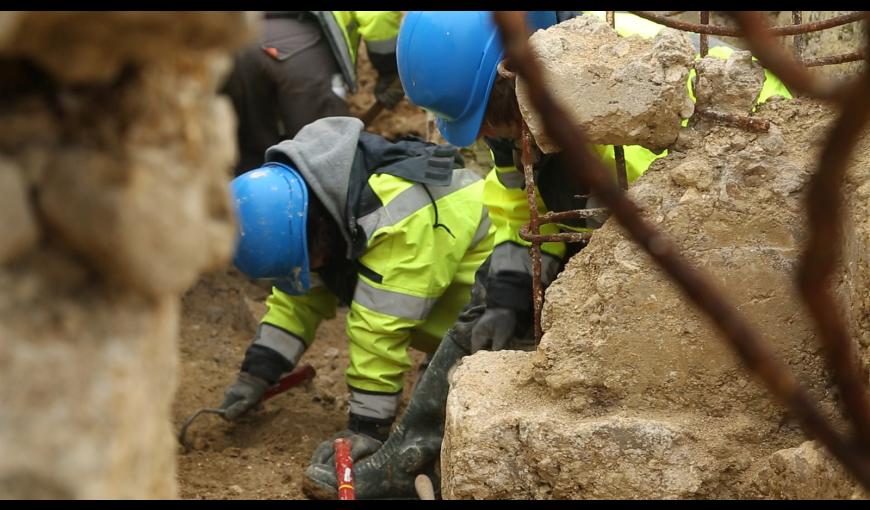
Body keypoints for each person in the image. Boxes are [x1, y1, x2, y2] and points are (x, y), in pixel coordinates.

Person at [302, 10, 794, 499]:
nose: (486, 136)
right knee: (489, 301)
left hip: (739, 225)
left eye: (489, 121)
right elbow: (523, 206)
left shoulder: (626, 75)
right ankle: (407, 460)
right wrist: (506, 296)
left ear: (515, 71)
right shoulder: (526, 95)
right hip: (612, 212)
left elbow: (667, 221)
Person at [219, 116, 495, 471]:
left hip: (502, 323)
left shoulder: (395, 217)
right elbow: (297, 300)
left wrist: (367, 429)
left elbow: (378, 331)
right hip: (452, 319)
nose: (314, 267)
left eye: (309, 259)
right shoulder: (317, 202)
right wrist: (255, 375)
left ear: (316, 229)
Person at [222, 11, 405, 175]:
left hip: (236, 46)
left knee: (251, 161)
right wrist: (388, 67)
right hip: (301, 45)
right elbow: (377, 15)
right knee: (327, 157)